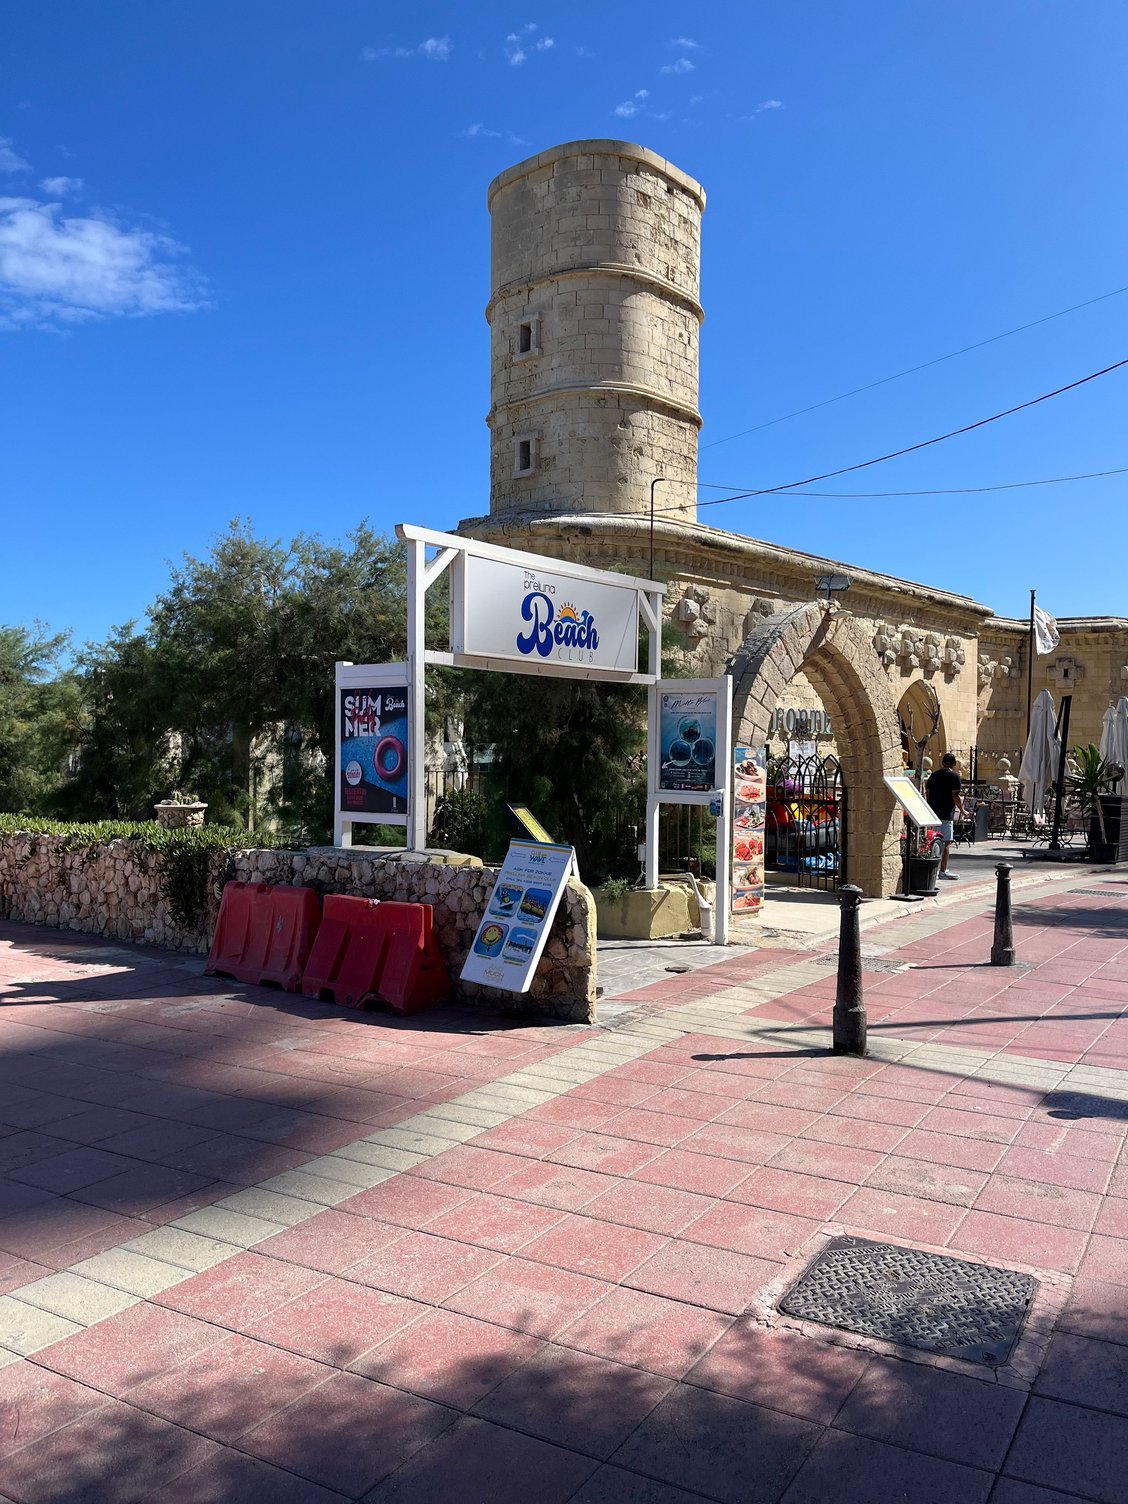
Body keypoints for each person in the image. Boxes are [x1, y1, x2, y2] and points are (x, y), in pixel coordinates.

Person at [926, 752, 967, 880]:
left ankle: (931, 868)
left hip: (932, 813)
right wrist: (963, 810)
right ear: (954, 764)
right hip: (945, 813)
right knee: (947, 842)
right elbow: (955, 796)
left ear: (942, 762)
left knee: (932, 841)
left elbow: (928, 793)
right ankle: (942, 871)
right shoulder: (954, 776)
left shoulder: (933, 776)